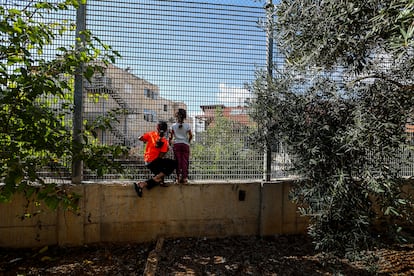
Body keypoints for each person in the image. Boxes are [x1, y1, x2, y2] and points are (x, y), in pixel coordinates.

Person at [134, 121, 176, 197]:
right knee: (174, 163)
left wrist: (145, 140)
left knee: (159, 178)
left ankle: (141, 185)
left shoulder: (151, 134)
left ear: (157, 128)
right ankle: (154, 180)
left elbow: (140, 138)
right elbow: (161, 156)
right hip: (154, 162)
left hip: (147, 161)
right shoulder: (164, 141)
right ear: (166, 130)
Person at [169, 108, 193, 184]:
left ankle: (178, 178)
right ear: (184, 117)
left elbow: (170, 137)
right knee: (185, 162)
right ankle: (185, 178)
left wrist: (171, 142)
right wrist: (187, 142)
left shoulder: (173, 126)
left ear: (177, 116)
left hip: (176, 145)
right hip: (185, 145)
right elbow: (191, 135)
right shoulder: (187, 126)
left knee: (177, 161)